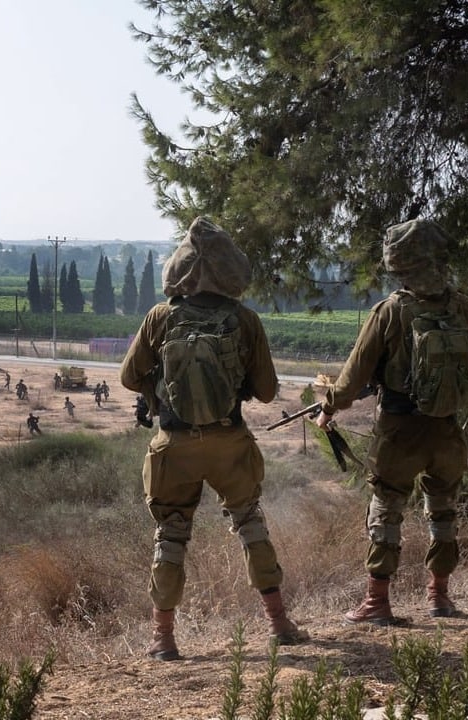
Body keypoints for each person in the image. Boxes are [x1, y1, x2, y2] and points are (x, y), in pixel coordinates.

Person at [119, 216, 308, 661]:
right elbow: (265, 391)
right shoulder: (245, 319)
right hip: (230, 443)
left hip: (174, 446)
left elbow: (129, 376)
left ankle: (163, 639)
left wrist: (157, 393)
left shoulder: (161, 317)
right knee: (250, 522)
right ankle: (279, 623)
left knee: (170, 535)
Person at [315, 219, 468, 625]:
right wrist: (464, 376)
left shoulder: (390, 311)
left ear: (398, 264)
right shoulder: (460, 306)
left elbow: (351, 379)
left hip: (400, 430)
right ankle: (439, 598)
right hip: (446, 428)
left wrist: (328, 409)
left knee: (385, 508)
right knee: (443, 510)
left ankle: (377, 603)